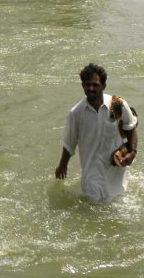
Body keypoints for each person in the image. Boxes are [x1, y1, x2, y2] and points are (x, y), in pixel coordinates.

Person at [55, 63, 138, 202]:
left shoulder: (118, 105)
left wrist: (133, 152)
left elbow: (131, 129)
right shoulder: (76, 113)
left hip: (116, 175)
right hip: (91, 180)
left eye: (95, 85)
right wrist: (62, 165)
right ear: (82, 86)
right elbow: (69, 144)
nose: (91, 88)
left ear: (104, 86)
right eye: (87, 85)